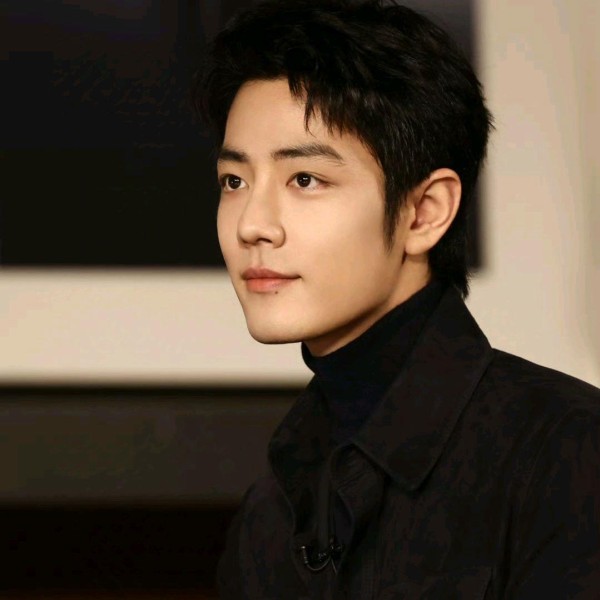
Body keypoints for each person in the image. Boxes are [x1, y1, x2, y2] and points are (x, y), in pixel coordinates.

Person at [192, 0, 600, 597]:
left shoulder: (568, 452)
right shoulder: (270, 513)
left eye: (304, 179)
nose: (253, 224)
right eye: (235, 181)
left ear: (425, 212)